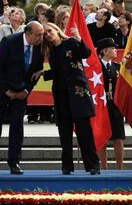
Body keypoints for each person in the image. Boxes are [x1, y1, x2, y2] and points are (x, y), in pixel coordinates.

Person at [0, 21, 45, 175]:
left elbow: (36, 71)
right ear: (28, 34)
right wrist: (6, 90)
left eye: (42, 34)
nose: (41, 37)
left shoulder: (40, 46)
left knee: (17, 126)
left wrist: (27, 90)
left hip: (21, 91)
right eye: (38, 34)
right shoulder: (9, 41)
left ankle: (14, 163)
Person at [37, 23, 100, 175]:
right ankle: (67, 166)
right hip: (61, 94)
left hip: (78, 93)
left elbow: (86, 53)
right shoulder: (51, 51)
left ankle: (93, 166)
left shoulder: (71, 42)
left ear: (57, 30)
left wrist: (79, 37)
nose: (47, 35)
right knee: (64, 132)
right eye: (45, 34)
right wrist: (43, 74)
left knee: (84, 131)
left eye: (49, 31)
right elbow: (59, 70)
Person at [96, 38, 125, 170]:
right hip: (101, 106)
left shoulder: (117, 67)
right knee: (103, 139)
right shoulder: (96, 67)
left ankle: (120, 169)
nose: (115, 50)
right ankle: (105, 168)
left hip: (115, 106)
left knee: (118, 138)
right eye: (112, 48)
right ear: (104, 51)